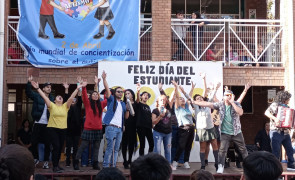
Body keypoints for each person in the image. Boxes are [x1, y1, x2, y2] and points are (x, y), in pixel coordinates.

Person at [30, 79, 82, 173]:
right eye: (58, 96)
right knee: (56, 146)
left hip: (63, 129)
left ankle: (57, 164)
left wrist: (77, 88)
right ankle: (54, 166)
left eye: (61, 97)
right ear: (54, 100)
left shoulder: (66, 106)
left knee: (60, 147)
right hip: (52, 129)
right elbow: (44, 97)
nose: (60, 97)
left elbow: (71, 97)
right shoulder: (51, 105)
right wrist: (37, 88)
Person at [193, 89, 248, 174]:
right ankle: (221, 166)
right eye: (226, 95)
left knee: (243, 150)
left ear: (232, 96)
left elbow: (240, 112)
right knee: (222, 150)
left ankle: (248, 166)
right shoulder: (220, 104)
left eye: (230, 95)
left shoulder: (236, 104)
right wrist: (195, 102)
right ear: (223, 97)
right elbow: (208, 104)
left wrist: (233, 103)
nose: (228, 97)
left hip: (237, 132)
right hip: (225, 133)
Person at [182, 73, 219, 170]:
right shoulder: (196, 108)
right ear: (195, 101)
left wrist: (204, 79)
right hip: (201, 130)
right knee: (202, 147)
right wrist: (182, 90)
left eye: (201, 98)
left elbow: (210, 92)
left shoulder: (207, 104)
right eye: (198, 98)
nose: (200, 99)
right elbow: (187, 96)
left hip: (211, 128)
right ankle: (203, 165)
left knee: (215, 145)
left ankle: (217, 163)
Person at [74, 77, 108, 170]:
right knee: (83, 146)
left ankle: (95, 163)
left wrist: (103, 87)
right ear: (91, 96)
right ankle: (76, 162)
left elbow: (108, 99)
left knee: (96, 147)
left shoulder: (101, 105)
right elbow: (84, 96)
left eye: (97, 94)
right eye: (93, 94)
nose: (96, 95)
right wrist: (84, 87)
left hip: (98, 129)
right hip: (88, 129)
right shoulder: (88, 103)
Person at [25, 76, 54, 169]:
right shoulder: (38, 96)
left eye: (50, 87)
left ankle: (45, 161)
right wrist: (29, 83)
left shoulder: (52, 98)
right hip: (37, 122)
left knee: (47, 144)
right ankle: (36, 158)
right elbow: (28, 93)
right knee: (34, 142)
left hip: (48, 124)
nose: (49, 88)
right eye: (47, 87)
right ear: (43, 89)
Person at [102, 71, 129, 168]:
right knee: (110, 148)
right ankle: (105, 167)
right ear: (115, 93)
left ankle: (113, 166)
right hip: (111, 127)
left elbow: (126, 117)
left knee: (117, 149)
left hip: (119, 129)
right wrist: (104, 79)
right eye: (118, 91)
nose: (120, 93)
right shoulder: (111, 99)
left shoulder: (122, 103)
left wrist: (128, 107)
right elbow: (107, 90)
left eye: (122, 92)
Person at [264, 90, 295, 170]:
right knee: (276, 151)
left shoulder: (287, 107)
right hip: (276, 131)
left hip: (285, 132)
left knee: (290, 150)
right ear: (283, 98)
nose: (288, 100)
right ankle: (275, 167)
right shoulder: (275, 105)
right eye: (288, 98)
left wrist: (291, 125)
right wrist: (275, 118)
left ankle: (291, 165)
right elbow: (266, 113)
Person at [171, 80, 195, 170]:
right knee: (181, 146)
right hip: (183, 128)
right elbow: (177, 97)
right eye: (181, 99)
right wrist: (176, 87)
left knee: (188, 146)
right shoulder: (178, 108)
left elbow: (189, 97)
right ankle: (175, 162)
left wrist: (192, 88)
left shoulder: (187, 107)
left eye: (183, 99)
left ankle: (185, 161)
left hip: (191, 127)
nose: (183, 99)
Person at [64, 81, 83, 167]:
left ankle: (75, 162)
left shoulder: (78, 106)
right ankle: (67, 160)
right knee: (68, 147)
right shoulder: (67, 107)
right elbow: (66, 98)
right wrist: (66, 89)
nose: (73, 101)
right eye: (72, 100)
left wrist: (79, 85)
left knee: (76, 147)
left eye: (74, 100)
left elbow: (79, 96)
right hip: (68, 130)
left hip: (77, 130)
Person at [152, 94, 173, 163]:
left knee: (168, 150)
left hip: (168, 133)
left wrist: (176, 87)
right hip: (158, 132)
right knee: (157, 150)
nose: (163, 101)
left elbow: (172, 96)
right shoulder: (155, 110)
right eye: (161, 100)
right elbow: (153, 122)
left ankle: (168, 165)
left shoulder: (169, 109)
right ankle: (157, 165)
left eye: (164, 100)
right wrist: (160, 116)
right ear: (158, 101)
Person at [135, 83, 154, 156]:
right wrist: (138, 91)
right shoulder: (139, 104)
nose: (146, 96)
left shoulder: (148, 107)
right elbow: (137, 100)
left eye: (147, 95)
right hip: (141, 126)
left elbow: (150, 117)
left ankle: (149, 158)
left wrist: (152, 124)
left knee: (151, 144)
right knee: (142, 144)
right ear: (141, 97)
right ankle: (142, 160)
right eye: (144, 95)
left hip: (148, 127)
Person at [122, 89, 137, 169]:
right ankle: (125, 160)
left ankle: (130, 160)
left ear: (132, 95)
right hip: (125, 126)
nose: (127, 94)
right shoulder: (123, 103)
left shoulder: (136, 104)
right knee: (124, 144)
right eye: (126, 93)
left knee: (131, 144)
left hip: (133, 126)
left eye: (129, 93)